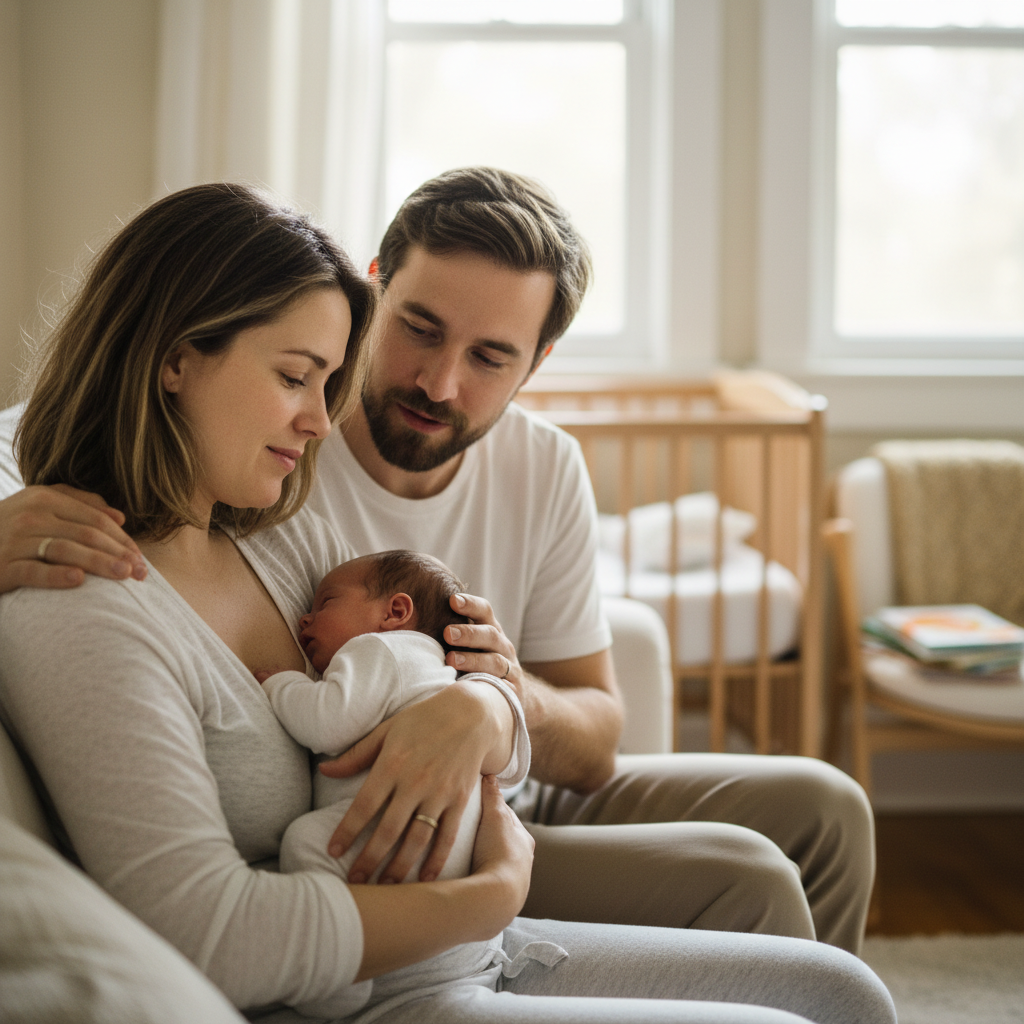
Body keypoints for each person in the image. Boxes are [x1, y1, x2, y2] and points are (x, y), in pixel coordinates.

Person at [0, 181, 896, 1024]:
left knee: (842, 992)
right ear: (172, 362)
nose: (320, 418)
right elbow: (214, 932)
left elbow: (519, 722)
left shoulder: (270, 526)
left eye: (325, 379)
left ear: (534, 364)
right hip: (385, 972)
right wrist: (486, 898)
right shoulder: (82, 589)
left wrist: (486, 706)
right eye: (295, 376)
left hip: (454, 921)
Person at [261, 549, 538, 1018]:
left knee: (306, 842)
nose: (305, 617)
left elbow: (325, 723)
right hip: (458, 857)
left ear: (395, 611)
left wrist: (280, 685)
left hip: (399, 838)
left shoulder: (378, 650)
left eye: (326, 602)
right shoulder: (434, 665)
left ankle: (335, 982)